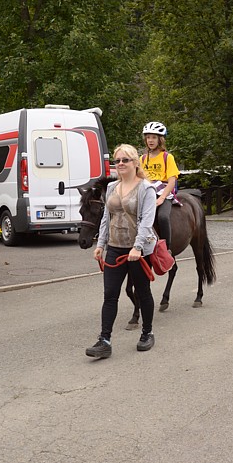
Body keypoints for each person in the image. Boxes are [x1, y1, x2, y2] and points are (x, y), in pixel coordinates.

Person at [86, 144, 158, 359]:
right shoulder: (111, 188)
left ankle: (147, 333)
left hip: (138, 251)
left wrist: (137, 247)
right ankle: (104, 340)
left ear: (135, 163)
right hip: (115, 249)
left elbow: (147, 220)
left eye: (125, 160)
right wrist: (100, 244)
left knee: (142, 292)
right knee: (110, 295)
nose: (120, 164)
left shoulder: (146, 188)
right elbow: (106, 218)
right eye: (117, 161)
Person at [140, 121, 180, 250]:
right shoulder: (142, 159)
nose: (150, 140)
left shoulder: (167, 157)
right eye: (148, 137)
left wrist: (162, 198)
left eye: (154, 137)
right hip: (146, 191)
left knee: (162, 217)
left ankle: (166, 248)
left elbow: (172, 181)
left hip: (163, 191)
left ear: (160, 139)